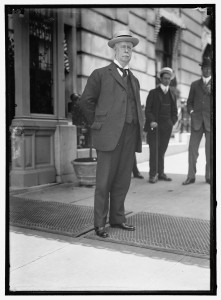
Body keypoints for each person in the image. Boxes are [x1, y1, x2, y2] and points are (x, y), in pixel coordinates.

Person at [79, 30, 144, 238]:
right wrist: (98, 124)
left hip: (129, 134)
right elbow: (85, 102)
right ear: (115, 50)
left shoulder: (134, 79)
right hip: (108, 136)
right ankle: (99, 223)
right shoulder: (100, 74)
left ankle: (118, 219)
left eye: (130, 47)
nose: (127, 50)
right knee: (104, 182)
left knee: (122, 180)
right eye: (123, 46)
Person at [145, 67, 178, 183]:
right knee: (154, 150)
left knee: (162, 150)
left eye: (169, 79)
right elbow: (147, 110)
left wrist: (172, 122)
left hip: (166, 127)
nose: (167, 80)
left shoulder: (172, 95)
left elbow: (175, 112)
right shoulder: (153, 93)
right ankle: (153, 174)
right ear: (160, 79)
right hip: (154, 127)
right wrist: (152, 120)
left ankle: (161, 173)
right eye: (165, 78)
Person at [182, 57, 212, 185]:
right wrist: (192, 112)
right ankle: (191, 176)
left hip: (211, 122)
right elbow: (189, 103)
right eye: (204, 68)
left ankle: (210, 176)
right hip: (197, 122)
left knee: (210, 151)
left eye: (209, 68)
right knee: (192, 149)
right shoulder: (194, 85)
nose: (206, 70)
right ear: (201, 69)